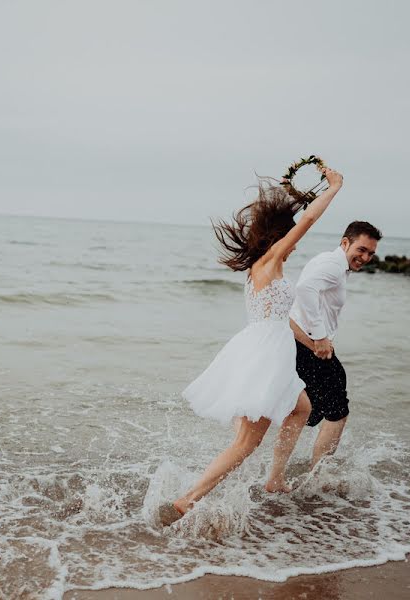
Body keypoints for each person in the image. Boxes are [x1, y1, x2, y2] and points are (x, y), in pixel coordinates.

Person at [162, 166, 344, 524]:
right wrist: (334, 188)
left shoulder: (265, 269)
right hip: (263, 358)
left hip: (270, 349)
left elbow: (280, 320)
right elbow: (306, 221)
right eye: (290, 239)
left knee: (301, 408)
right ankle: (190, 498)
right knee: (247, 443)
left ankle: (274, 480)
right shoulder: (269, 262)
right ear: (279, 238)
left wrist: (313, 342)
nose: (294, 246)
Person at [262, 220, 382, 493]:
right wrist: (319, 337)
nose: (365, 257)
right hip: (308, 345)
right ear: (345, 243)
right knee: (337, 411)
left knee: (305, 412)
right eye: (361, 250)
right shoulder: (333, 266)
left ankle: (276, 477)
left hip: (300, 343)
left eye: (370, 253)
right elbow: (304, 290)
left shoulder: (332, 263)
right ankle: (317, 476)